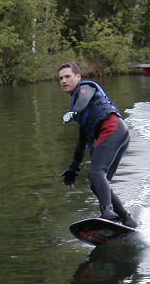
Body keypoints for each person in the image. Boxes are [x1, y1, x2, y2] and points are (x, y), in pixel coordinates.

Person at [58, 62, 137, 228]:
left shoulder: (85, 88)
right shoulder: (78, 110)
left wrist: (74, 111)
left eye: (67, 76)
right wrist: (73, 168)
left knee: (96, 173)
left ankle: (108, 213)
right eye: (61, 78)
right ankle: (127, 220)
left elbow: (84, 99)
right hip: (119, 133)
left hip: (113, 128)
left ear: (78, 77)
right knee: (98, 183)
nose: (64, 81)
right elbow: (82, 141)